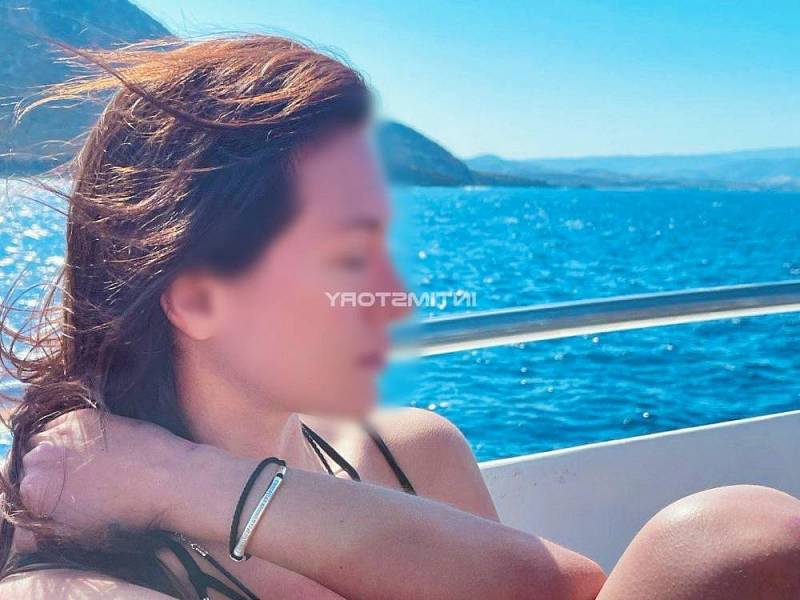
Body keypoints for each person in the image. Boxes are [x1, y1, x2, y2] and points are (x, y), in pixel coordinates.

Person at [0, 35, 799, 600]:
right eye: (350, 256)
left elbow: (562, 592)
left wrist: (187, 482)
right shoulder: (75, 578)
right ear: (198, 296)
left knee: (739, 537)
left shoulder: (412, 454)